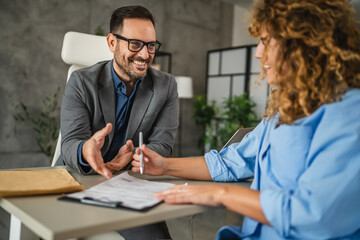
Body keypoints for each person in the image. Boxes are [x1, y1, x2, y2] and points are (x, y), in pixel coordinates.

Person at [131, 0, 360, 239]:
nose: (259, 52)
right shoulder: (283, 112)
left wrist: (221, 194)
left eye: (266, 41)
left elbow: (315, 215)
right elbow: (231, 161)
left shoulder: (350, 113)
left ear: (304, 44)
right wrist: (166, 165)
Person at [58, 5, 177, 239]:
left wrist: (134, 158)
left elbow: (163, 144)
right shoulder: (81, 81)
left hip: (128, 185)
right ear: (112, 42)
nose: (145, 54)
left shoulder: (166, 86)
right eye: (135, 44)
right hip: (82, 181)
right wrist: (86, 150)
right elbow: (70, 143)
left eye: (151, 45)